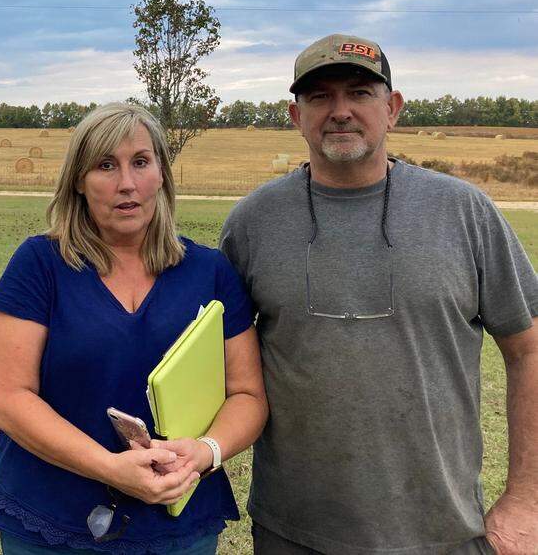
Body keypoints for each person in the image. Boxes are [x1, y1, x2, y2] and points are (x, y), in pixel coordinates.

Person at [219, 33, 538, 555]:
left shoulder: (463, 212)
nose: (340, 111)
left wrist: (527, 499)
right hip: (293, 531)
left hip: (444, 531)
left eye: (360, 93)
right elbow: (222, 364)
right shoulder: (253, 223)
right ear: (295, 116)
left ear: (392, 109)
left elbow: (529, 349)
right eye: (319, 96)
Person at [0, 102, 268, 554]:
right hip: (52, 520)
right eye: (105, 166)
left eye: (140, 162)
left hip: (178, 524)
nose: (126, 184)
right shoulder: (40, 266)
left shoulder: (209, 271)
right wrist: (109, 467)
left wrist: (206, 451)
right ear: (79, 181)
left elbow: (248, 395)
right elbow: (6, 398)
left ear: (161, 174)